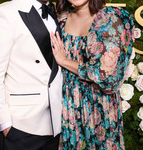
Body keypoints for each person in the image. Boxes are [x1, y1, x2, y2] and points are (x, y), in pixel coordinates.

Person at [50, 0, 135, 149]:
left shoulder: (112, 19)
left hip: (99, 106)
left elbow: (108, 77)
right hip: (67, 107)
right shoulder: (60, 20)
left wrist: (64, 61)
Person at [0, 0, 62, 149]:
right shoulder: (5, 13)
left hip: (55, 123)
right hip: (22, 123)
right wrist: (3, 123)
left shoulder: (55, 14)